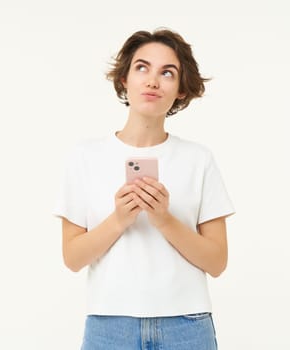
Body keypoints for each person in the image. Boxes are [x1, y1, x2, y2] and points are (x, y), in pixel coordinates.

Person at [54, 28, 235, 350]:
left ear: (181, 90)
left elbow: (217, 262)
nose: (153, 81)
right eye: (142, 67)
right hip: (110, 325)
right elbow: (72, 257)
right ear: (124, 79)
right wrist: (120, 219)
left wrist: (164, 219)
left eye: (168, 73)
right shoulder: (85, 157)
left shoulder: (198, 159)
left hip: (187, 325)